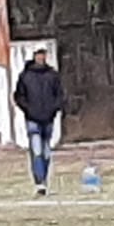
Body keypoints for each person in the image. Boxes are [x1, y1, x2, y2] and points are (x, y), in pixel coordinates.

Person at [14, 49, 67, 196]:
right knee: (37, 151)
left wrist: (54, 109)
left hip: (48, 118)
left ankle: (43, 179)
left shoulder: (52, 75)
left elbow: (60, 95)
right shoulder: (25, 76)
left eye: (43, 55)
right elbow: (19, 96)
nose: (41, 57)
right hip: (33, 119)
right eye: (38, 55)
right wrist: (28, 109)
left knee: (46, 152)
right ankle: (40, 182)